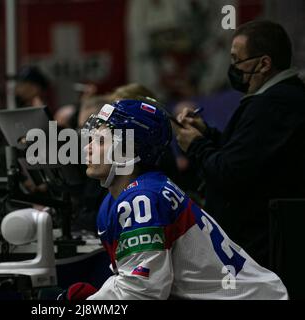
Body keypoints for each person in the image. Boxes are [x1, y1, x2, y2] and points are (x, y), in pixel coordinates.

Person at [69, 99, 288, 300]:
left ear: (129, 148)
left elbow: (140, 292)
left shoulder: (142, 199)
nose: (87, 148)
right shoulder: (127, 196)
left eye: (99, 141)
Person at [174, 20, 305, 267]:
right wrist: (208, 134)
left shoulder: (273, 104)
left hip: (261, 253)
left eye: (237, 60)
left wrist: (196, 145)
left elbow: (230, 172)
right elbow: (246, 155)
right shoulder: (278, 99)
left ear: (264, 64)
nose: (232, 68)